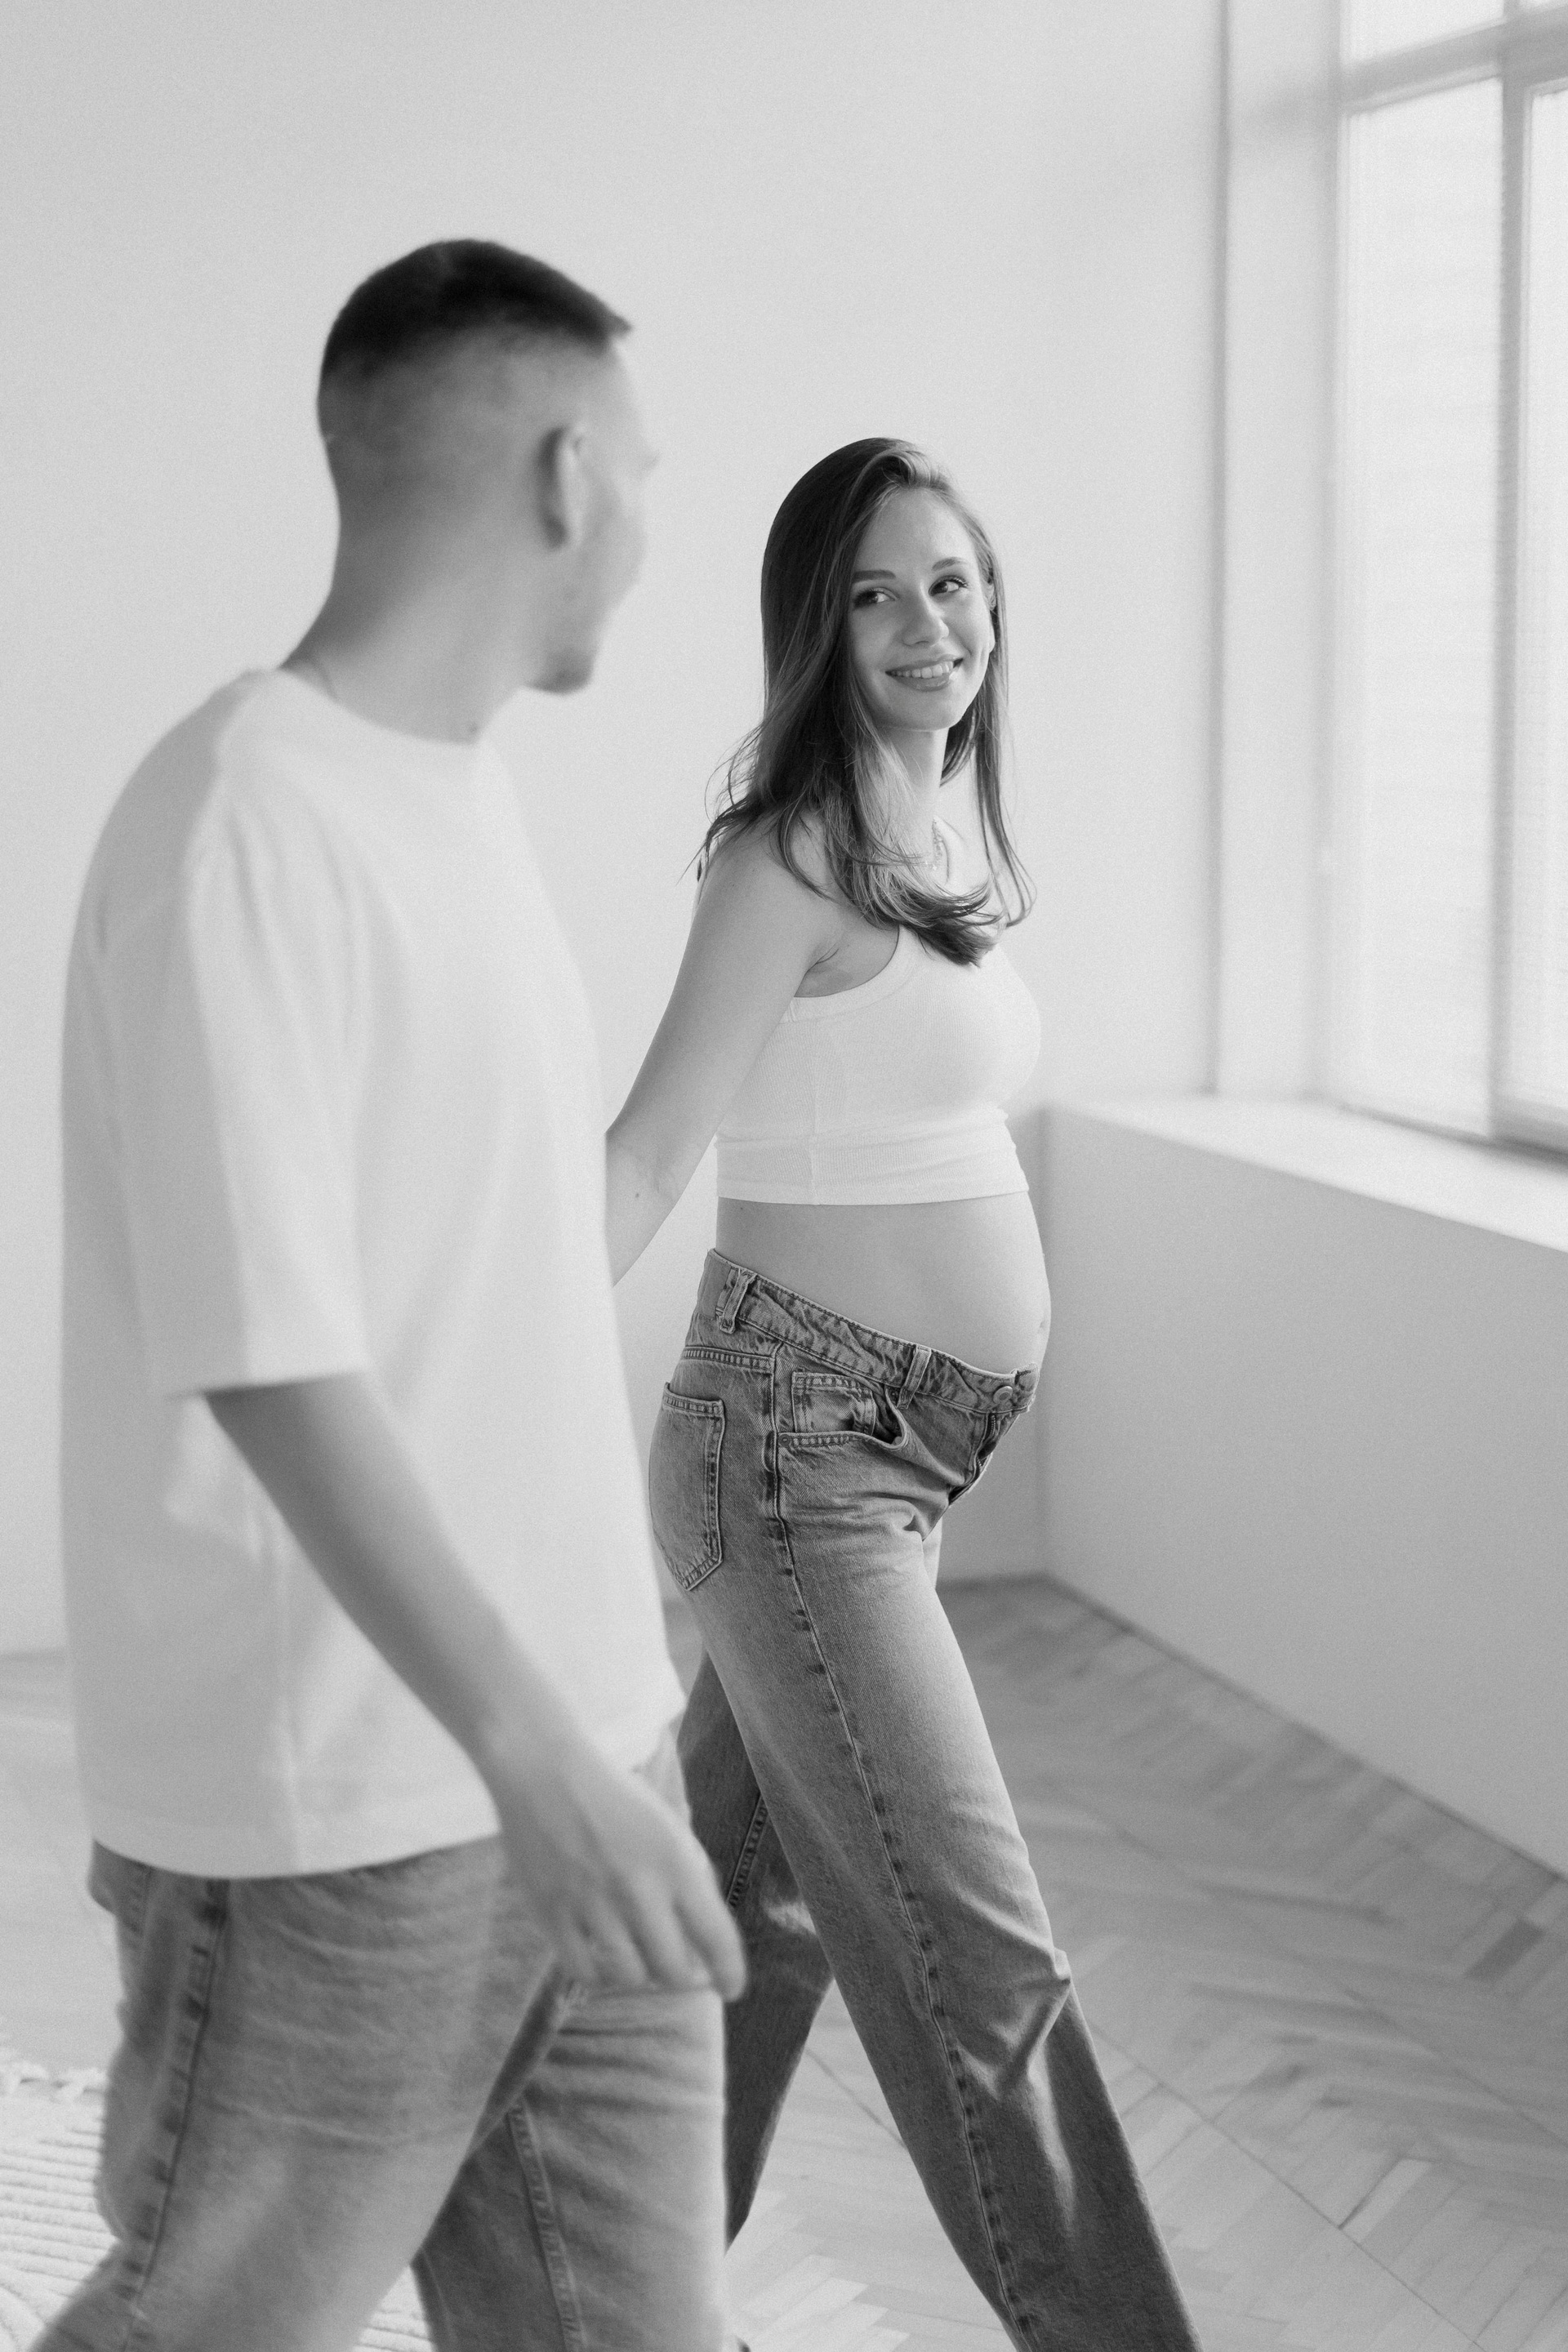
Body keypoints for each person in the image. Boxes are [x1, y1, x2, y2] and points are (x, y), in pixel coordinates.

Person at [49, 239, 745, 2352]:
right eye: (644, 472)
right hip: (351, 1817)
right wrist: (538, 1765)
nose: (649, 524)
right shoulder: (243, 820)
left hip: (580, 1760)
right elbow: (268, 1355)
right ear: (564, 475)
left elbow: (511, 1256)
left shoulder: (453, 800)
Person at [606, 439, 1202, 2350]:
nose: (925, 623)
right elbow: (648, 1152)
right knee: (977, 1965)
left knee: (737, 1932)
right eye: (873, 592)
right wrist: (460, 1370)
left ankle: (589, 2301)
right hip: (799, 1463)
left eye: (950, 581)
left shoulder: (940, 835)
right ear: (816, 626)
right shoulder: (786, 854)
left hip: (893, 1460)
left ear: (993, 601)